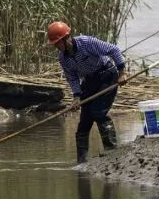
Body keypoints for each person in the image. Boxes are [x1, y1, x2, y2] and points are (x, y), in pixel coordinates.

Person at [46, 20, 125, 165]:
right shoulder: (63, 58)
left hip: (107, 74)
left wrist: (122, 73)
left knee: (98, 112)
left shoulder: (86, 42)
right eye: (55, 44)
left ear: (66, 38)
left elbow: (113, 50)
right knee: (84, 123)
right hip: (89, 81)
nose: (57, 47)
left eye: (58, 43)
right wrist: (77, 96)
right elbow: (72, 78)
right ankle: (81, 162)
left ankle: (111, 150)